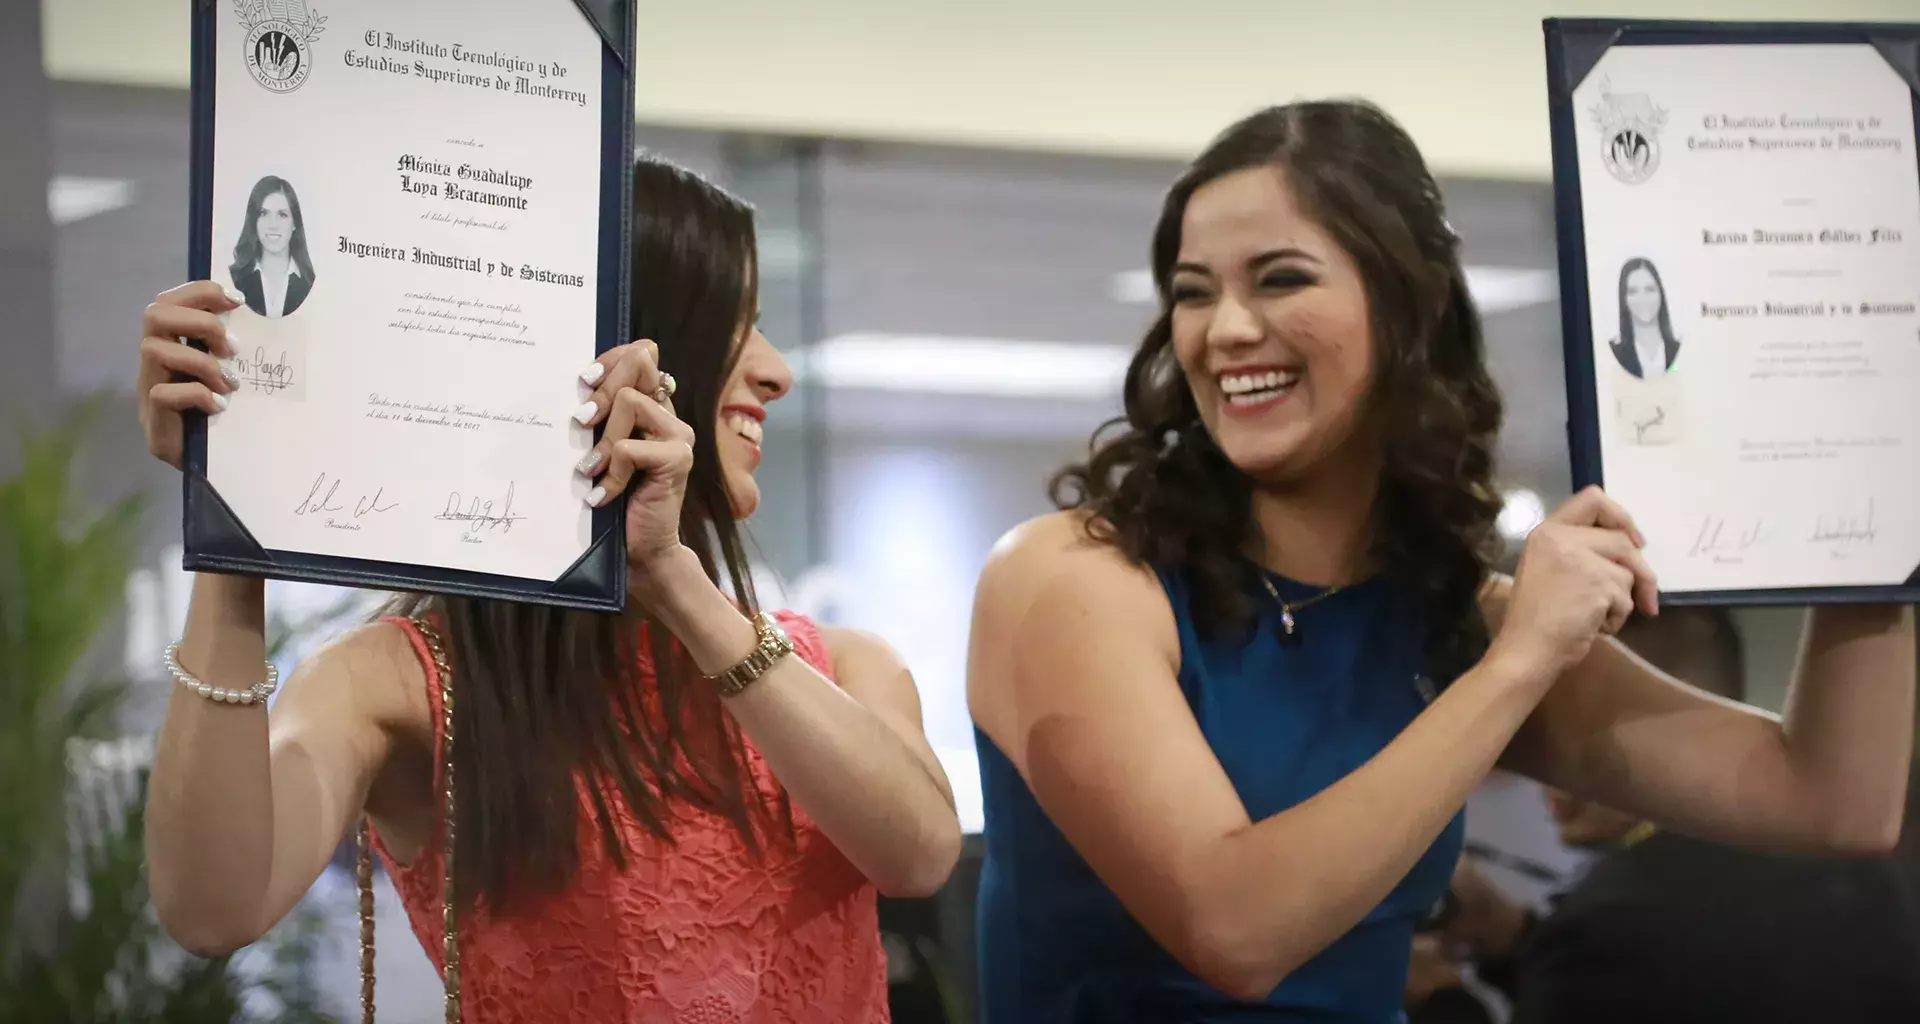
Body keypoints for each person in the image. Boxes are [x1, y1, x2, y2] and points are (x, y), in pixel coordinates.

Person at [966, 99, 1915, 1023]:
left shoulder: (1461, 619)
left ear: (1406, 305)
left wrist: (1868, 492)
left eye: (1281, 279)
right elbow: (1237, 932)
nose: (1226, 331)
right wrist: (1516, 667)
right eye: (1193, 291)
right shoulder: (1071, 581)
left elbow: (1829, 800)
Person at [138, 155, 962, 1022]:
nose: (776, 370)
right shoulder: (403, 686)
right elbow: (211, 908)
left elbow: (919, 854)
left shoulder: (850, 669)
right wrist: (230, 517)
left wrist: (672, 580)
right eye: (738, 320)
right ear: (637, 342)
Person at [1419, 606, 1920, 1024]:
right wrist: (1517, 936)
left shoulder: (1609, 924)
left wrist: (1442, 1003)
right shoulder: (1873, 878)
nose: (1548, 782)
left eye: (1552, 737)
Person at [229, 175, 315, 318]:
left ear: (294, 223)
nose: (273, 225)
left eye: (282, 215)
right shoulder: (234, 279)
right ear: (254, 221)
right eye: (263, 214)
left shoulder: (311, 284)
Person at [1607, 257, 1679, 380]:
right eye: (1633, 291)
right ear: (1624, 299)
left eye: (1649, 289)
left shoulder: (1678, 350)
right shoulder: (1614, 353)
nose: (1642, 299)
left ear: (1660, 293)